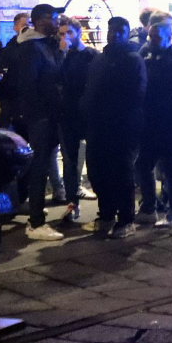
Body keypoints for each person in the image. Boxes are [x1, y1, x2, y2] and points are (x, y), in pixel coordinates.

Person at [83, 17, 147, 239]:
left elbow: (136, 94)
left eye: (120, 31)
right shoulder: (100, 58)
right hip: (98, 126)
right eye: (112, 30)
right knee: (98, 171)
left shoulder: (132, 59)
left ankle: (126, 219)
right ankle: (107, 213)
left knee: (121, 173)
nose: (115, 34)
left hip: (122, 127)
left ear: (127, 33)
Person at [9, 4, 66, 241]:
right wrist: (38, 114)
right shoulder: (31, 48)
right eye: (54, 18)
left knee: (41, 165)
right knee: (39, 166)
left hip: (48, 116)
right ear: (42, 21)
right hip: (39, 117)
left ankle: (35, 212)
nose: (58, 22)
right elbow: (29, 86)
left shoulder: (45, 45)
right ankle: (36, 223)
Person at [137, 18, 172, 230]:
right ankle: (150, 207)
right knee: (144, 165)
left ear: (169, 38)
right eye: (150, 36)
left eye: (156, 37)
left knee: (170, 168)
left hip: (169, 126)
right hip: (151, 124)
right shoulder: (149, 55)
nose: (151, 40)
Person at [57, 16, 97, 223]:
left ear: (78, 33)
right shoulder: (61, 56)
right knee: (70, 161)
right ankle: (72, 203)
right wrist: (61, 54)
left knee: (94, 158)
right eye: (61, 34)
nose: (65, 37)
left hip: (88, 116)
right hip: (68, 116)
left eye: (69, 33)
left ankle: (105, 205)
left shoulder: (91, 56)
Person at [0, 11, 29, 127]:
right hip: (13, 102)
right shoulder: (9, 50)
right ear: (16, 27)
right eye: (24, 25)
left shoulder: (35, 47)